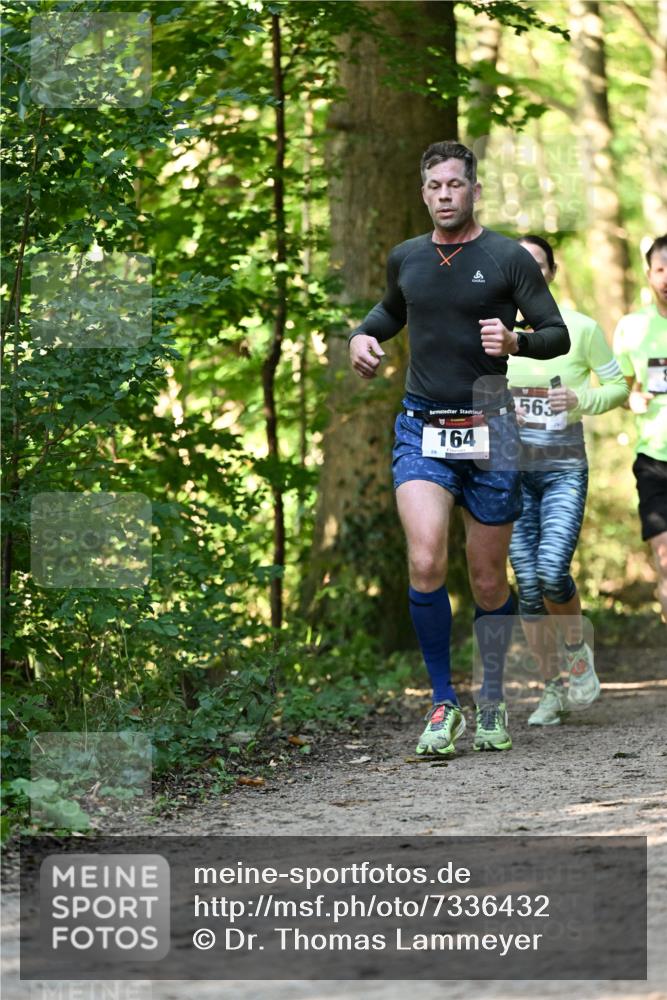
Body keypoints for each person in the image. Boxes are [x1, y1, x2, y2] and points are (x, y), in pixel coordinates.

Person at [348, 140, 570, 756]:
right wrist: (362, 336)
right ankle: (444, 703)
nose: (445, 195)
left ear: (474, 189)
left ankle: (492, 697)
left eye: (455, 184)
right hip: (423, 425)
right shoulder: (406, 258)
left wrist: (518, 342)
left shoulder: (506, 258)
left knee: (488, 580)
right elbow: (391, 311)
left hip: (491, 424)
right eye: (435, 186)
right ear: (424, 193)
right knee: (424, 561)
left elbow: (557, 334)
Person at [507, 235, 629, 726]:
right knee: (529, 587)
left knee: (553, 570)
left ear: (552, 273)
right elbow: (472, 391)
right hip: (510, 473)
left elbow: (618, 386)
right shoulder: (495, 334)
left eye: (537, 265)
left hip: (562, 469)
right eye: (520, 266)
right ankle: (551, 689)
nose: (530, 274)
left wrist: (583, 401)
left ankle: (578, 654)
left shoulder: (580, 329)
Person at [613, 235, 667, 622]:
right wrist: (630, 397)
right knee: (666, 561)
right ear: (649, 275)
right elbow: (621, 386)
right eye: (661, 269)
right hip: (654, 459)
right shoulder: (632, 327)